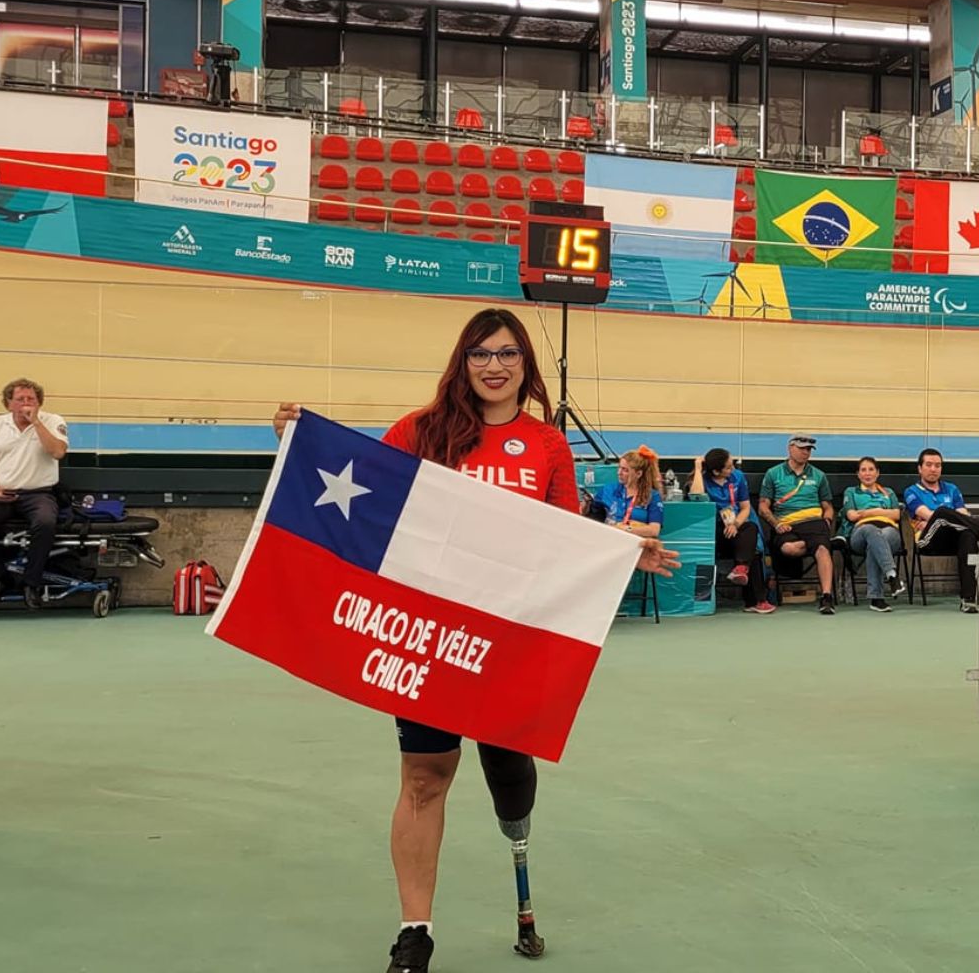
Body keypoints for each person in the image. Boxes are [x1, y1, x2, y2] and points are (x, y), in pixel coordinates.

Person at [271, 308, 679, 973]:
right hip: (431, 637)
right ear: (462, 362)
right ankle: (415, 932)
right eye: (481, 353)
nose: (494, 366)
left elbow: (561, 534)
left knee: (510, 778)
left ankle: (517, 835)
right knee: (424, 777)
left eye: (508, 353)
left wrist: (622, 548)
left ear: (526, 364)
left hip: (510, 641)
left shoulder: (546, 444)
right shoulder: (421, 431)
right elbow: (363, 488)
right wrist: (301, 441)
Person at [0, 378, 68, 610]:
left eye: (31, 399)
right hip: (3, 492)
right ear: (8, 403)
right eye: (20, 399)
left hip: (39, 493)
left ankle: (31, 583)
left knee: (45, 523)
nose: (26, 403)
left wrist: (36, 422)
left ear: (39, 403)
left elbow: (58, 452)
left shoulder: (53, 421)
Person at [690, 448, 775, 614]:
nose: (732, 469)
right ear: (716, 471)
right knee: (747, 549)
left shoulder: (737, 477)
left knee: (751, 530)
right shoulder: (702, 480)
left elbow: (745, 507)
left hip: (734, 526)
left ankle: (746, 580)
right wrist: (698, 470)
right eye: (728, 467)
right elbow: (697, 497)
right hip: (713, 530)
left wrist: (735, 524)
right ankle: (702, 600)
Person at [758, 435, 836, 616]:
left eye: (808, 449)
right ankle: (816, 543)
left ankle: (826, 597)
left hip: (814, 522)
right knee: (789, 549)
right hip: (786, 523)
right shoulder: (773, 473)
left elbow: (828, 506)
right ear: (790, 448)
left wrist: (827, 521)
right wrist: (776, 524)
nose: (805, 452)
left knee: (822, 549)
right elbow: (763, 506)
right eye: (802, 448)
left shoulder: (819, 475)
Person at [903, 448, 979, 614]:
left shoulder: (952, 489)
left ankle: (968, 599)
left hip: (952, 538)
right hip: (928, 540)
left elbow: (962, 515)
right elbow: (929, 515)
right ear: (920, 468)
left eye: (937, 465)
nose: (933, 469)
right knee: (941, 513)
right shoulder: (911, 491)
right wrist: (939, 517)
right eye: (929, 465)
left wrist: (942, 518)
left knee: (968, 535)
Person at [840, 457, 906, 612]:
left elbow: (897, 514)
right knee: (871, 530)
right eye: (863, 470)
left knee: (875, 543)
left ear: (877, 473)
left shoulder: (888, 492)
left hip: (889, 532)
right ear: (858, 474)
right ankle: (891, 574)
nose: (867, 473)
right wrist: (882, 512)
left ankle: (877, 598)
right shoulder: (851, 491)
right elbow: (852, 515)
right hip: (861, 533)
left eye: (871, 469)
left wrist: (869, 512)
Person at [587, 446, 664, 538]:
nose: (619, 473)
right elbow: (593, 515)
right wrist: (585, 508)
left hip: (636, 542)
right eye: (619, 468)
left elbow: (654, 530)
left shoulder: (652, 496)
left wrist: (626, 529)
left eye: (625, 470)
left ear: (638, 474)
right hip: (610, 540)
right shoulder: (608, 489)